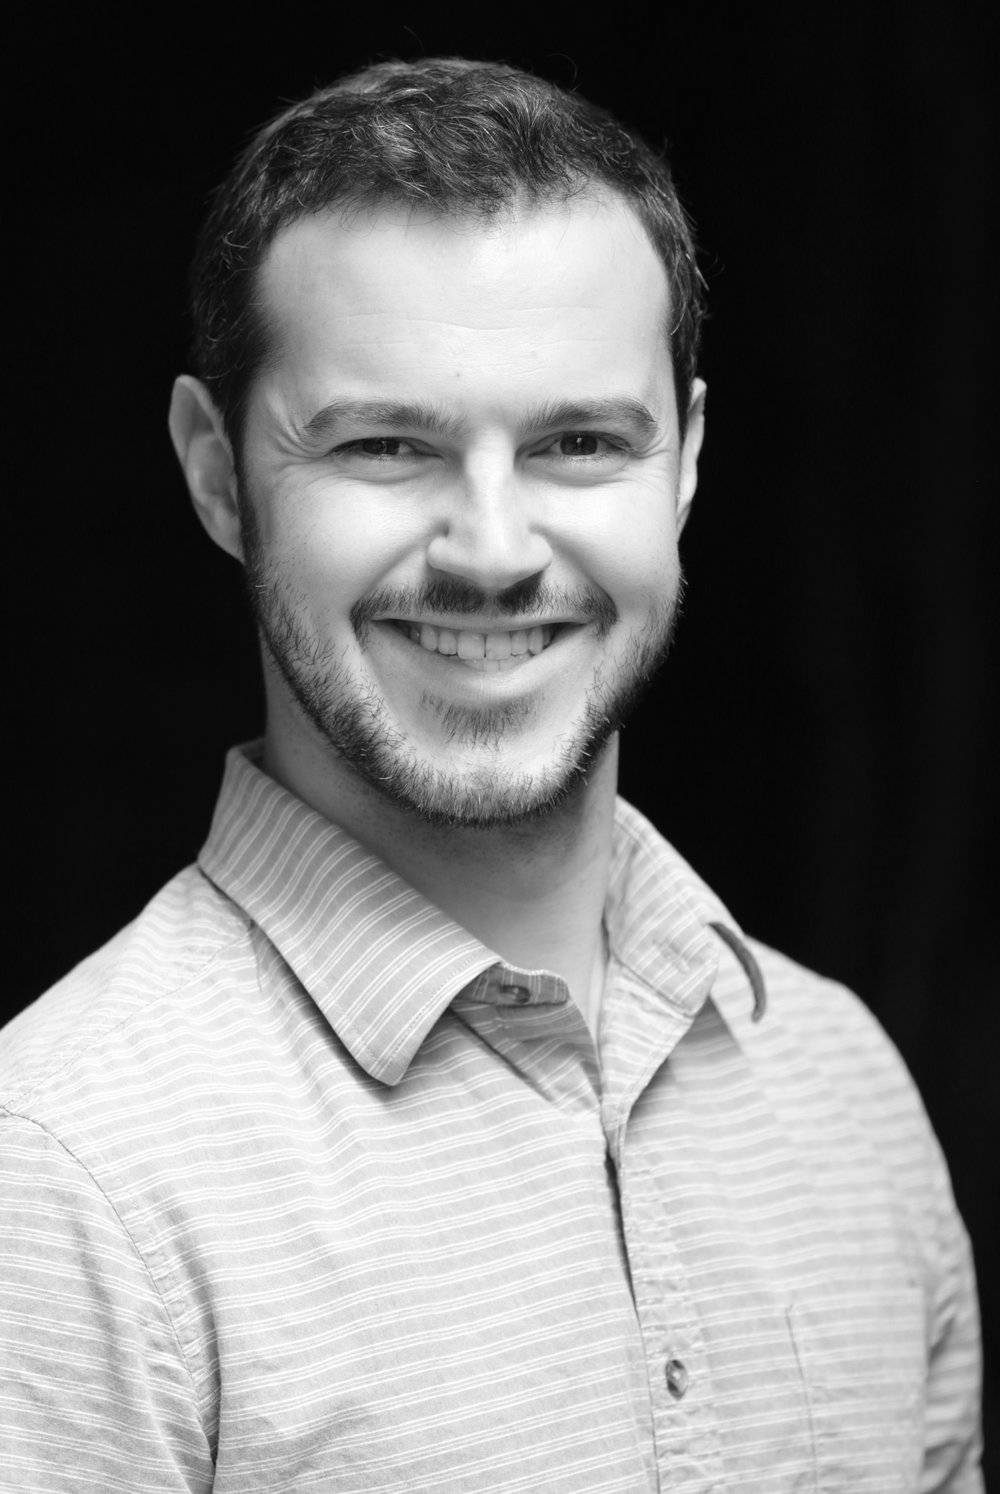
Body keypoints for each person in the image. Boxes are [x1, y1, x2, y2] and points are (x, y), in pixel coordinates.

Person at [0, 57, 982, 1493]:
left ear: (689, 463)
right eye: (387, 445)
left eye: (580, 442)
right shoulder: (60, 1175)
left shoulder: (843, 1091)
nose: (493, 547)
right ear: (217, 474)